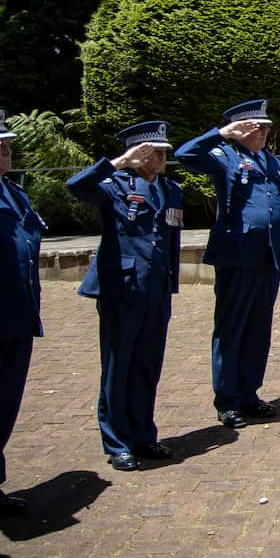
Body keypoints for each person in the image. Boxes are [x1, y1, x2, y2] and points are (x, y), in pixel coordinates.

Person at [68, 122, 183, 470]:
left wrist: (170, 282)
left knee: (147, 365)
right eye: (154, 151)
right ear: (138, 153)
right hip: (123, 288)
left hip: (156, 289)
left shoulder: (171, 189)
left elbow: (171, 240)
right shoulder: (114, 185)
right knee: (119, 366)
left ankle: (143, 434)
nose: (162, 156)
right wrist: (120, 162)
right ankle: (117, 441)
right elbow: (75, 186)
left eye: (164, 150)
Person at [176, 100, 280, 429]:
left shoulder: (270, 161)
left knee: (258, 328)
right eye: (259, 127)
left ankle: (249, 392)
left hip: (267, 255)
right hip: (237, 255)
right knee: (232, 328)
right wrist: (222, 134)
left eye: (268, 127)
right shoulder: (225, 156)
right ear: (241, 130)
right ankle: (227, 399)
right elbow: (185, 156)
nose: (266, 132)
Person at [0, 111, 43, 515]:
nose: (5, 147)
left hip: (16, 313)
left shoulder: (12, 192)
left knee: (3, 404)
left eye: (7, 141)